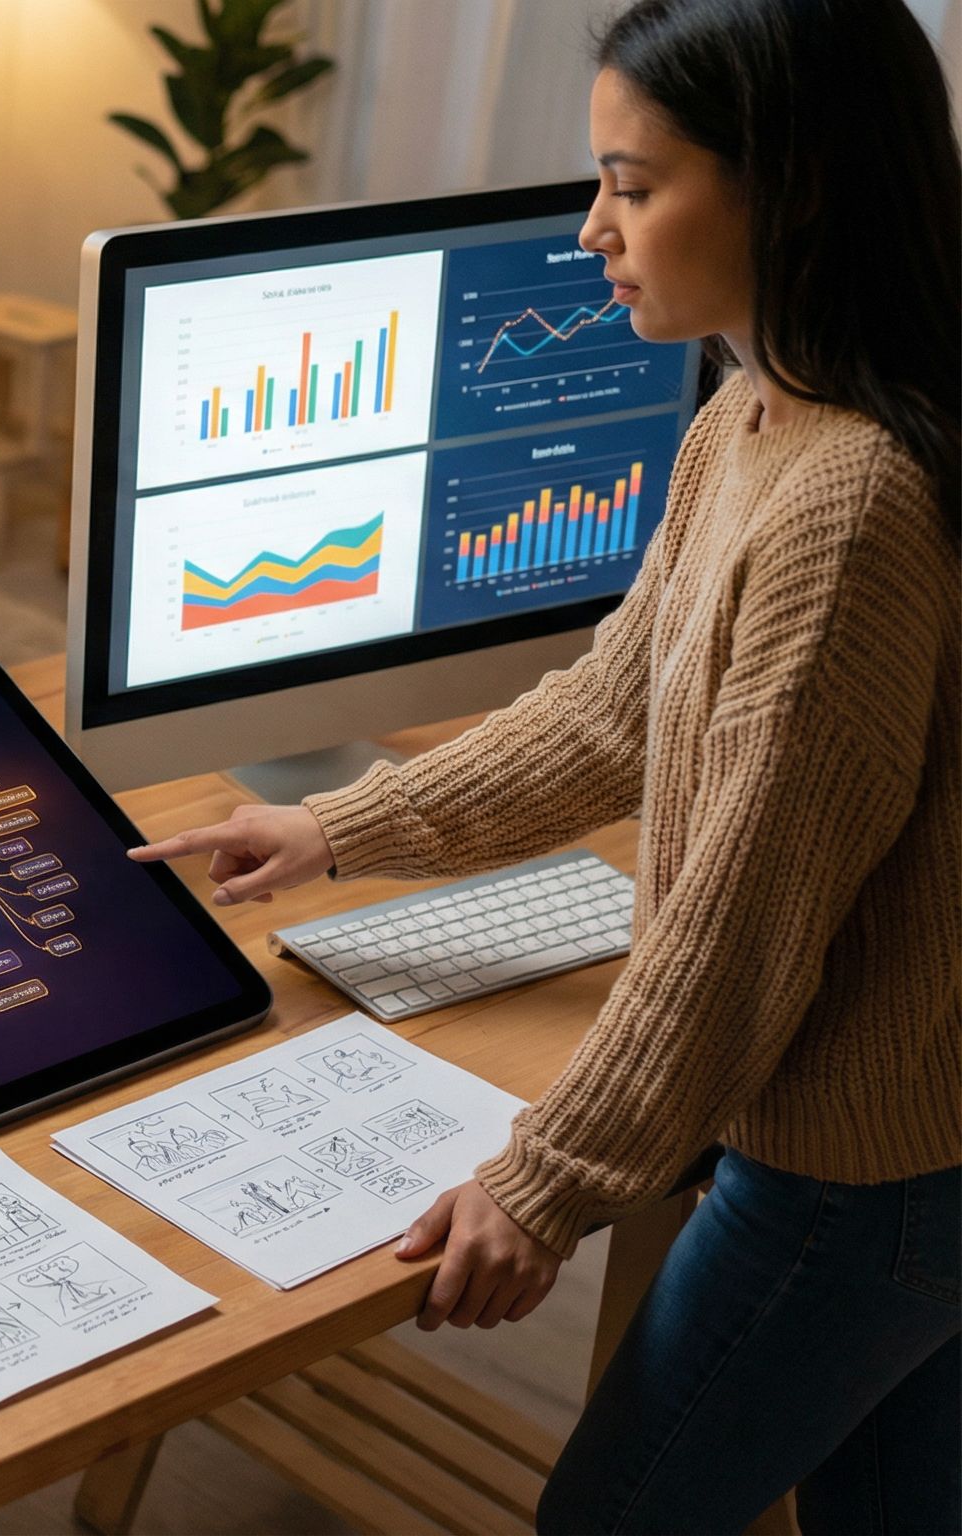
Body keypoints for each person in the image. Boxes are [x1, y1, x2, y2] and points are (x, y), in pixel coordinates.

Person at [127, 1, 959, 1529]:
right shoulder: (754, 419)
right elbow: (612, 714)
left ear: (793, 187)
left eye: (633, 186)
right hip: (900, 1160)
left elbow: (737, 926)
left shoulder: (849, 511)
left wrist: (545, 1180)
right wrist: (334, 826)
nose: (592, 229)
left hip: (863, 1182)